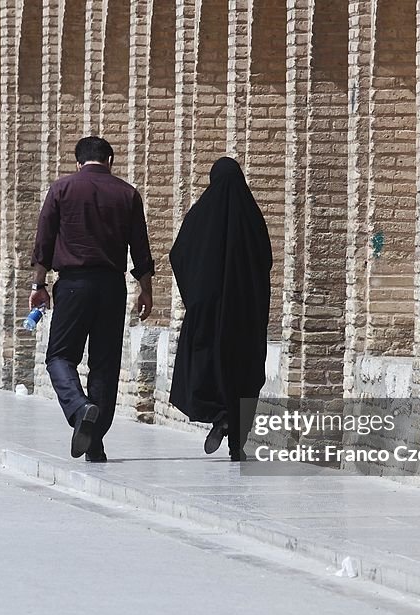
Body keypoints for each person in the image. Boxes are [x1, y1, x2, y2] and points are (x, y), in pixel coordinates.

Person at [30, 136, 155, 462]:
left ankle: (79, 407)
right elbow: (140, 247)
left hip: (73, 286)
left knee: (59, 356)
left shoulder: (61, 189)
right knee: (104, 364)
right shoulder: (127, 193)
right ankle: (95, 444)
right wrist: (146, 289)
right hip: (112, 287)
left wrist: (38, 285)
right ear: (110, 160)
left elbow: (44, 239)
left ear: (78, 162)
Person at [169, 157, 273, 462]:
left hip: (209, 313)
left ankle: (220, 414)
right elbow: (265, 262)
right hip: (246, 316)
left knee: (208, 367)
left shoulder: (201, 216)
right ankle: (237, 443)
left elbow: (179, 255)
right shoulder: (251, 218)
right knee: (245, 372)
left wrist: (197, 297)